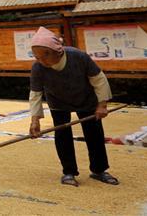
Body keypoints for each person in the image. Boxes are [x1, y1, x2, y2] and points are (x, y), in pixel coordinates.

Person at [28, 27, 119, 187]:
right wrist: (35, 121)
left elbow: (98, 79)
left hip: (85, 99)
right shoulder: (38, 68)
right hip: (58, 102)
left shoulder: (78, 57)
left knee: (94, 134)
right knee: (62, 135)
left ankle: (99, 170)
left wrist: (102, 104)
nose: (42, 60)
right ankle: (68, 172)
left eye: (45, 55)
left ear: (58, 51)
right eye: (37, 57)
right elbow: (35, 94)